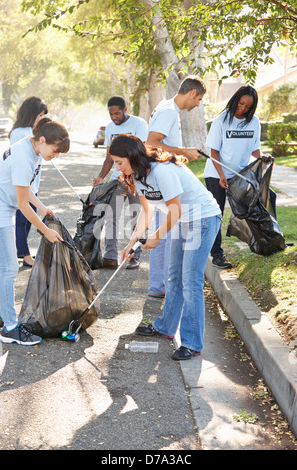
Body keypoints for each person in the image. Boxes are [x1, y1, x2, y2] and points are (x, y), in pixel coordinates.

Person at [109, 134, 221, 360]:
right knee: (174, 275)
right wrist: (132, 243)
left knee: (191, 280)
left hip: (203, 219)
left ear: (132, 156)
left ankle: (192, 343)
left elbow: (175, 210)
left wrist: (157, 237)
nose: (117, 167)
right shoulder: (138, 176)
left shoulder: (162, 171)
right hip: (182, 222)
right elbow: (147, 211)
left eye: (119, 162)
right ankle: (166, 328)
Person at [0, 117, 70, 345]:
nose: (55, 156)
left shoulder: (33, 151)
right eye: (55, 150)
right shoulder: (22, 158)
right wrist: (45, 231)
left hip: (4, 205)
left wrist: (43, 207)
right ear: (42, 139)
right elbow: (21, 204)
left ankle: (0, 316)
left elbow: (24, 188)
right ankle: (9, 328)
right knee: (9, 268)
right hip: (0, 209)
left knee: (2, 267)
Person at [146, 75, 206, 298]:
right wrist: (184, 151)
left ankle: (159, 286)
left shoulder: (166, 106)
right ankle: (162, 287)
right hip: (164, 179)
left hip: (165, 174)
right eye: (198, 99)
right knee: (167, 234)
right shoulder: (169, 110)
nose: (198, 104)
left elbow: (161, 145)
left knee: (166, 232)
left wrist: (178, 156)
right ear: (192, 93)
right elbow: (151, 143)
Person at [204, 85, 275, 269]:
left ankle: (268, 240)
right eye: (241, 103)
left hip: (240, 174)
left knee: (268, 197)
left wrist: (263, 158)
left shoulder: (254, 122)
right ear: (236, 99)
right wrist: (221, 175)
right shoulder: (222, 120)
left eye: (248, 106)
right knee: (216, 214)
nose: (243, 108)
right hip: (216, 173)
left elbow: (255, 149)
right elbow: (213, 151)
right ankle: (216, 255)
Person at [93, 96, 148, 269]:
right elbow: (109, 157)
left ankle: (134, 256)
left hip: (135, 178)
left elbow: (142, 153)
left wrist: (135, 177)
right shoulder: (110, 128)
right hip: (116, 180)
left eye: (117, 113)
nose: (114, 117)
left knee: (135, 217)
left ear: (125, 109)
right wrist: (101, 176)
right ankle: (110, 257)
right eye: (111, 114)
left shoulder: (139, 125)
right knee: (111, 217)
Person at [9, 96, 48, 268]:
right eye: (39, 115)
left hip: (33, 185)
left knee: (28, 219)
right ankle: (23, 255)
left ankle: (21, 252)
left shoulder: (33, 131)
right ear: (31, 114)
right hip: (23, 184)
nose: (40, 119)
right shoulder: (20, 132)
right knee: (22, 220)